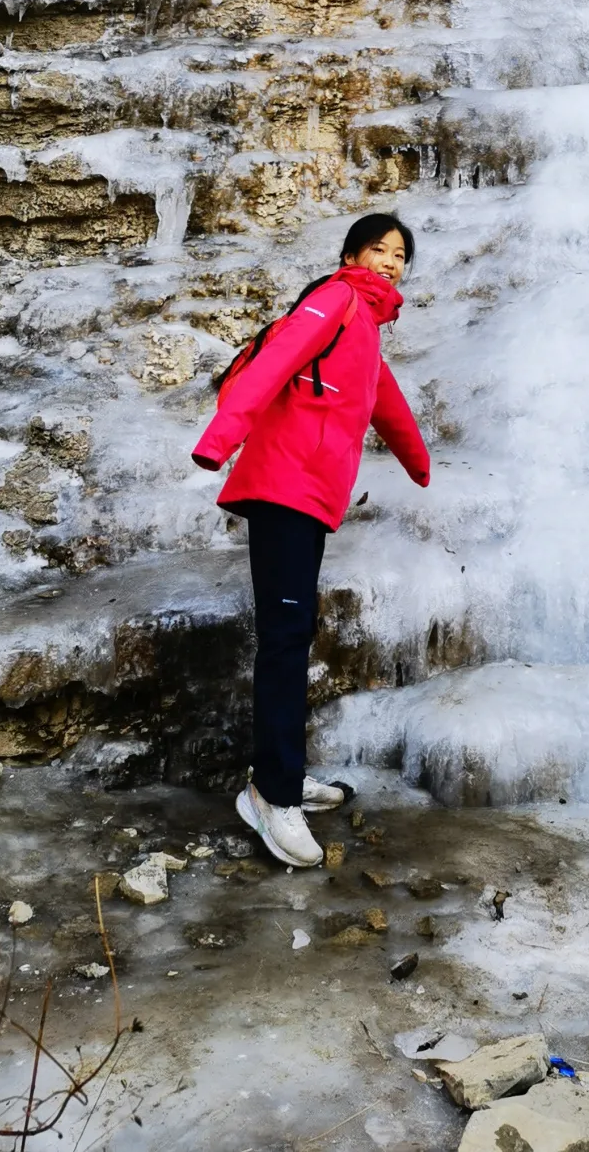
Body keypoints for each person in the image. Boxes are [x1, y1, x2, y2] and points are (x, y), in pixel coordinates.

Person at [191, 213, 430, 866]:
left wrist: (419, 461)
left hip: (309, 497)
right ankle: (270, 796)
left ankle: (284, 774)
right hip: (281, 488)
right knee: (286, 636)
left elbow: (386, 401)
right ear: (353, 254)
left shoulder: (364, 332)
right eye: (378, 248)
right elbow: (274, 364)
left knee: (293, 633)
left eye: (400, 253)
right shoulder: (335, 299)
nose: (390, 260)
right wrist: (220, 440)